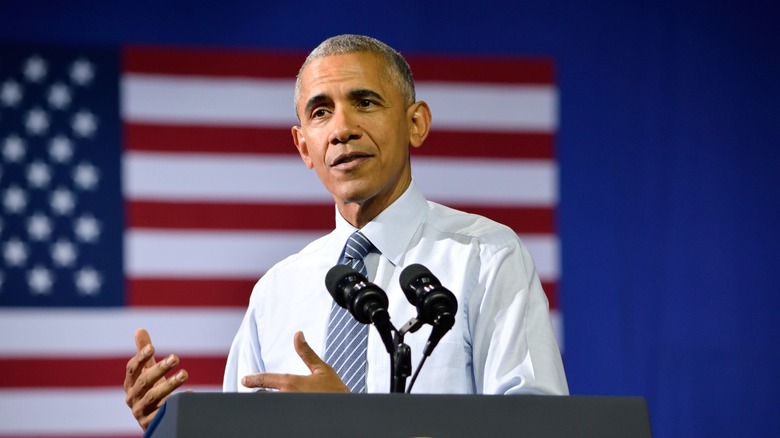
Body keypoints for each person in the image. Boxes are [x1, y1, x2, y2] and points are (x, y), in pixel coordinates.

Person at [123, 34, 568, 430]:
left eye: (366, 102)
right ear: (303, 147)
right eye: (321, 112)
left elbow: (537, 427)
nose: (342, 130)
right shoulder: (276, 293)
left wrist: (356, 424)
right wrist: (170, 428)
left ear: (416, 124)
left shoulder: (485, 256)